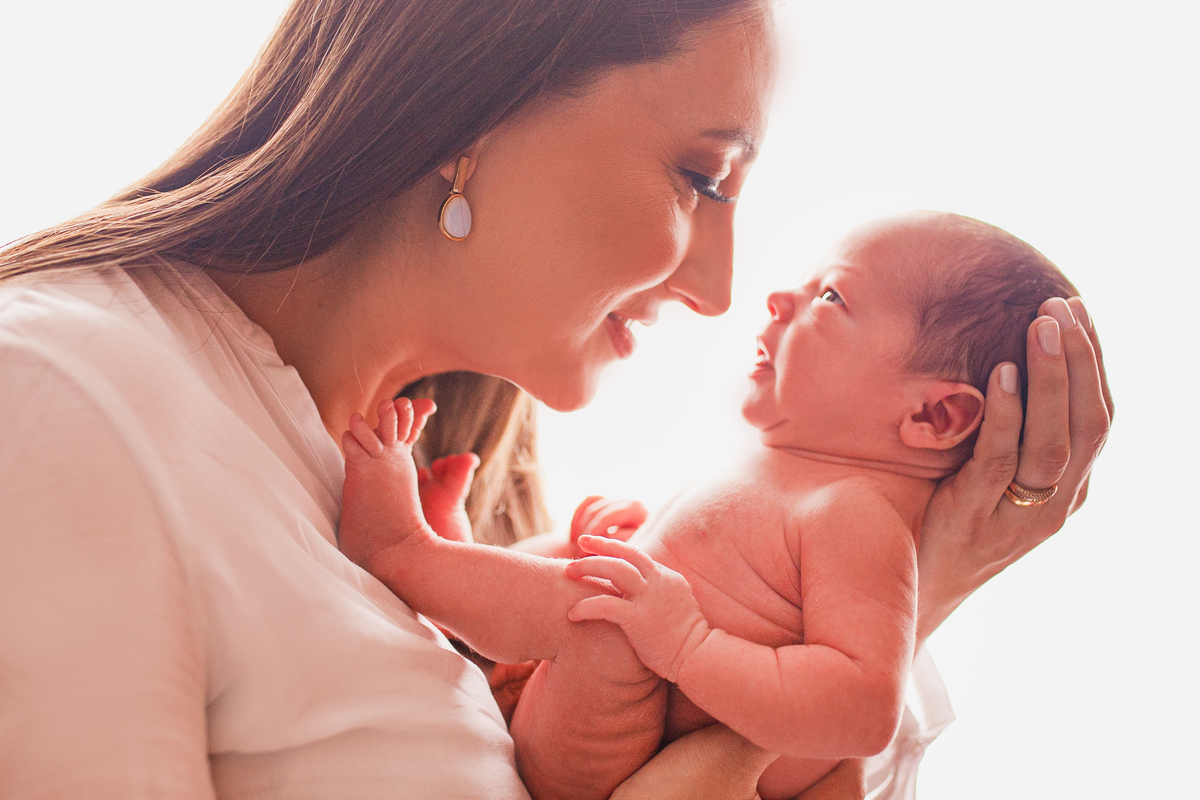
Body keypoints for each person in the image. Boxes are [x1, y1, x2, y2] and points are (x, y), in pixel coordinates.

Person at [0, 0, 1113, 796]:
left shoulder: (447, 504)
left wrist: (919, 590)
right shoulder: (67, 399)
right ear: (475, 108)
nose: (721, 290)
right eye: (701, 178)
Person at [334, 212, 1083, 800]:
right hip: (594, 706)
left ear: (936, 418)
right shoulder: (797, 477)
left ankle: (403, 553)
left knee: (607, 612)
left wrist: (686, 641)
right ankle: (455, 566)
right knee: (602, 567)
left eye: (832, 296)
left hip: (613, 764)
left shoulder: (858, 517)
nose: (778, 297)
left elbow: (860, 709)